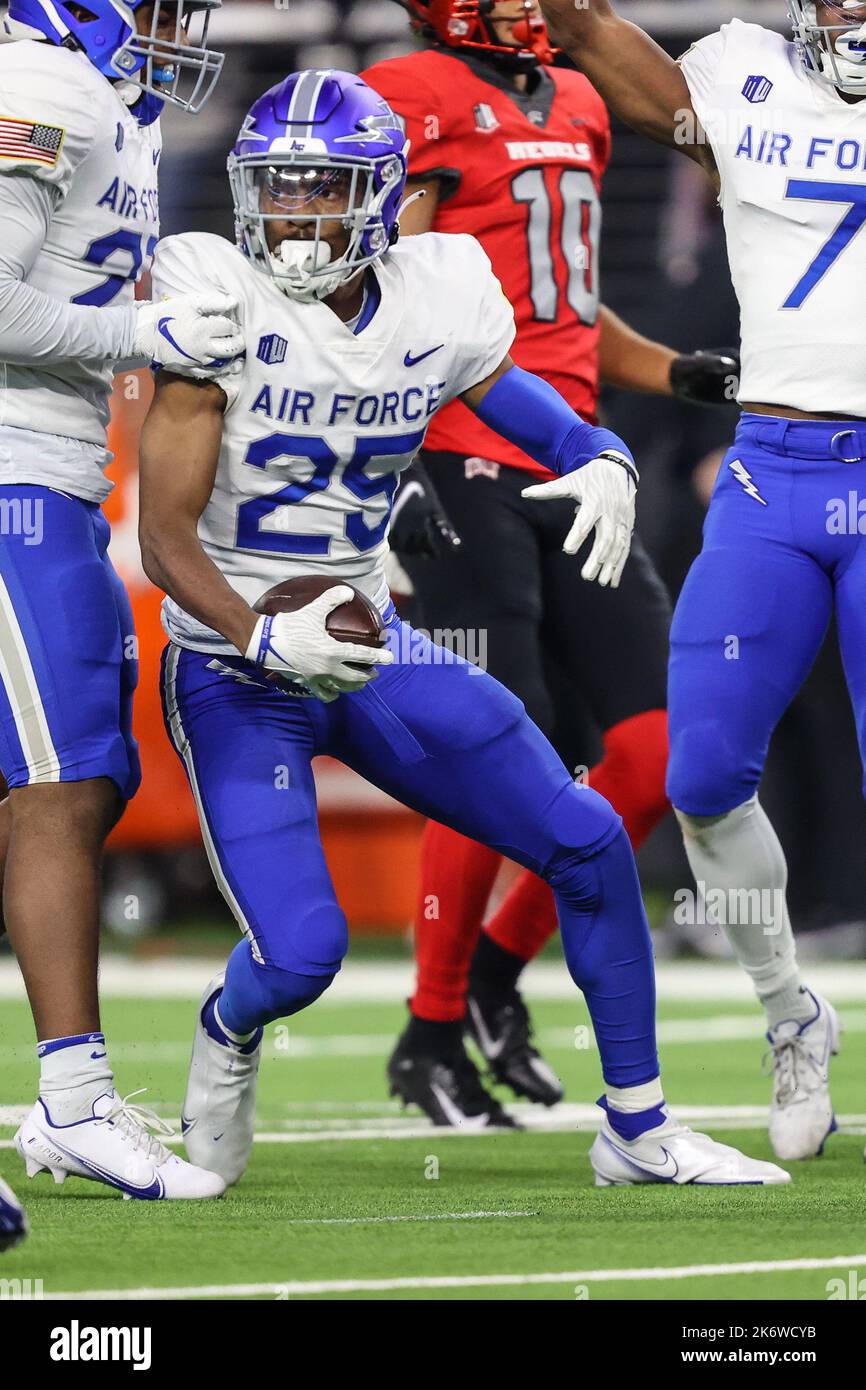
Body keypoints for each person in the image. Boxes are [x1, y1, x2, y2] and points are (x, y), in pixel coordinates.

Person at [138, 68, 787, 1190]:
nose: (294, 216)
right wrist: (254, 636)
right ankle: (228, 1030)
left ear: (385, 196)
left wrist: (601, 456)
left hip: (371, 639)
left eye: (321, 189)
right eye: (277, 191)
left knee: (583, 838)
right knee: (299, 959)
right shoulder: (212, 296)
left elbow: (527, 406)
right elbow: (164, 539)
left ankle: (635, 1126)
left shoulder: (440, 287)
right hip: (234, 668)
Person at [362, 1, 739, 1127]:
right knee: (488, 746)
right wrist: (394, 456)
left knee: (656, 750)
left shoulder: (574, 97)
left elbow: (561, 311)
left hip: (575, 463)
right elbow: (392, 298)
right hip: (463, 460)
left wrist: (674, 375)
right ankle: (428, 1029)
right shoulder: (414, 93)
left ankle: (488, 971)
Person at [538, 0, 866, 1160]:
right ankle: (791, 1011)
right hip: (771, 473)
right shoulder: (738, 71)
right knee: (702, 772)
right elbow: (577, 29)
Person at [4, 0, 243, 1201]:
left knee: (86, 776)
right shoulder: (42, 83)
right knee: (61, 783)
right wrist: (141, 331)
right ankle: (74, 1098)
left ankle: (64, 1097)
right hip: (9, 477)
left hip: (52, 477)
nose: (173, 22)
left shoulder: (111, 105)